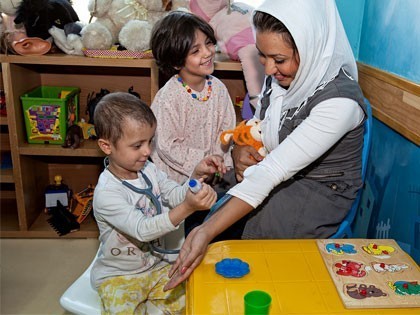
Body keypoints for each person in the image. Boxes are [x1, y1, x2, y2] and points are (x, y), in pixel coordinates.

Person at [164, 0, 368, 291]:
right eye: (262, 56)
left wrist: (207, 232)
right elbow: (258, 126)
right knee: (202, 207)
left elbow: (274, 170)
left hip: (317, 191)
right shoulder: (286, 77)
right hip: (275, 174)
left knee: (233, 234)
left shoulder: (339, 103)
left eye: (279, 59)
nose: (270, 69)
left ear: (311, 47)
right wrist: (240, 150)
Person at [90, 92, 225, 314]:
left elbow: (173, 194)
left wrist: (195, 178)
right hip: (119, 276)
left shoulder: (148, 169)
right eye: (137, 145)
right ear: (107, 146)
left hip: (157, 266)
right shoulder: (107, 193)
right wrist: (188, 208)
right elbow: (143, 230)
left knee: (193, 301)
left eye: (150, 141)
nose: (147, 151)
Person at [149, 11, 240, 237]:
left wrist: (220, 160)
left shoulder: (217, 88)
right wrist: (201, 162)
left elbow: (226, 131)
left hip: (215, 175)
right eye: (196, 50)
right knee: (185, 231)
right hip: (180, 181)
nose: (208, 52)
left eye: (208, 44)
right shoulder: (168, 97)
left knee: (220, 221)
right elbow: (167, 145)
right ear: (176, 60)